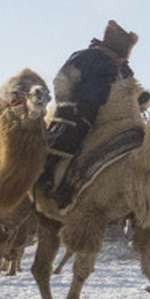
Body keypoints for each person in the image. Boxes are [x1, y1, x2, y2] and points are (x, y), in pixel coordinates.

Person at [39, 20, 138, 207]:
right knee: (68, 139)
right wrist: (72, 103)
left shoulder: (124, 70)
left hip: (111, 118)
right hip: (78, 113)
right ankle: (48, 181)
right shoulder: (87, 57)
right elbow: (62, 79)